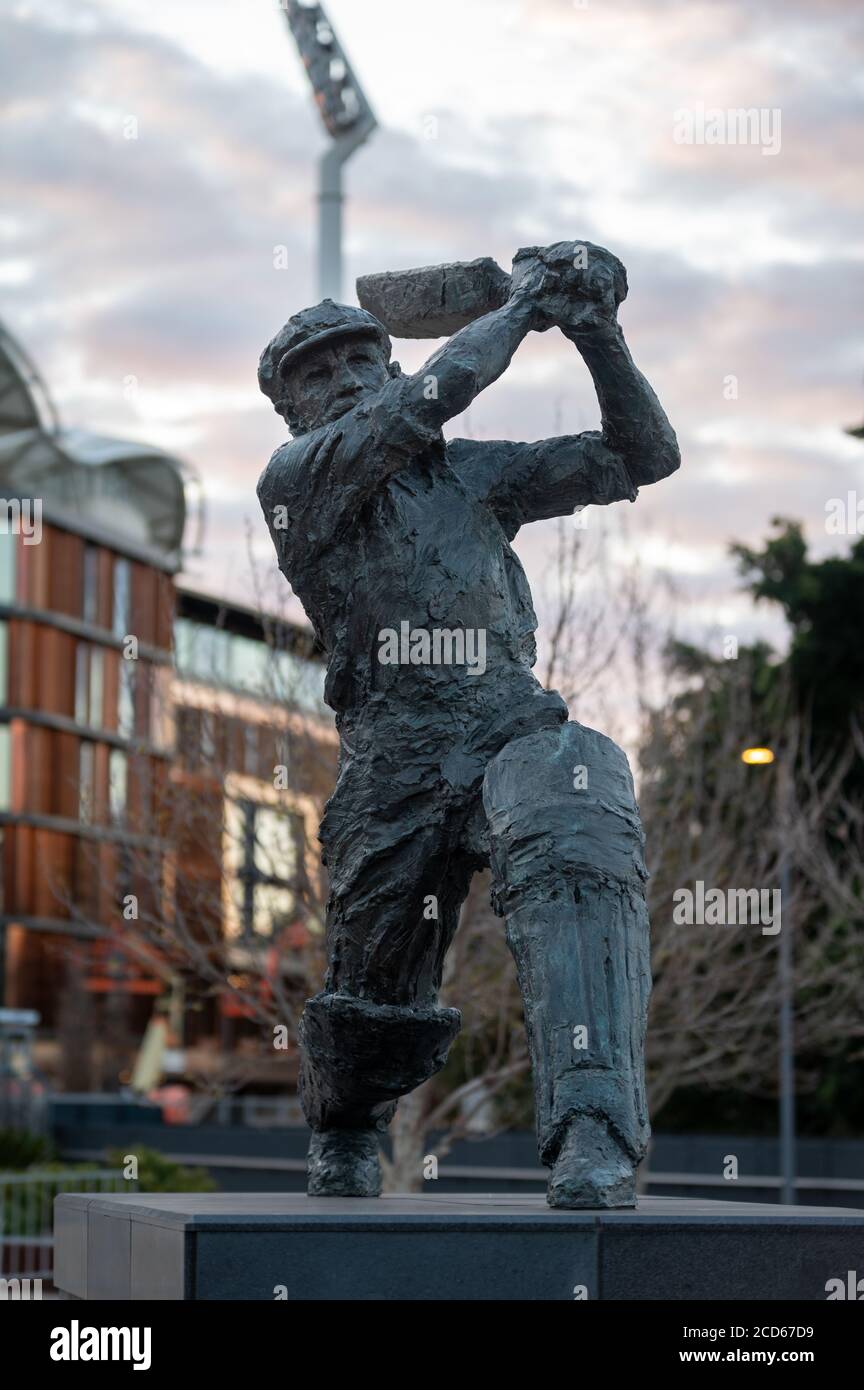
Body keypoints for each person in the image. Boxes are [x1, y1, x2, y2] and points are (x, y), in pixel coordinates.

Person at [257, 242, 680, 1206]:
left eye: (362, 357)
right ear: (290, 410)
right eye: (315, 373)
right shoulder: (299, 480)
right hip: (394, 753)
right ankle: (347, 1121)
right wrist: (528, 304)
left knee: (580, 817)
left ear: (389, 359)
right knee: (375, 999)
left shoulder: (476, 480)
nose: (345, 378)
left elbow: (643, 455)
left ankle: (593, 1126)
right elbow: (432, 399)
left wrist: (596, 331)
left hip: (504, 718)